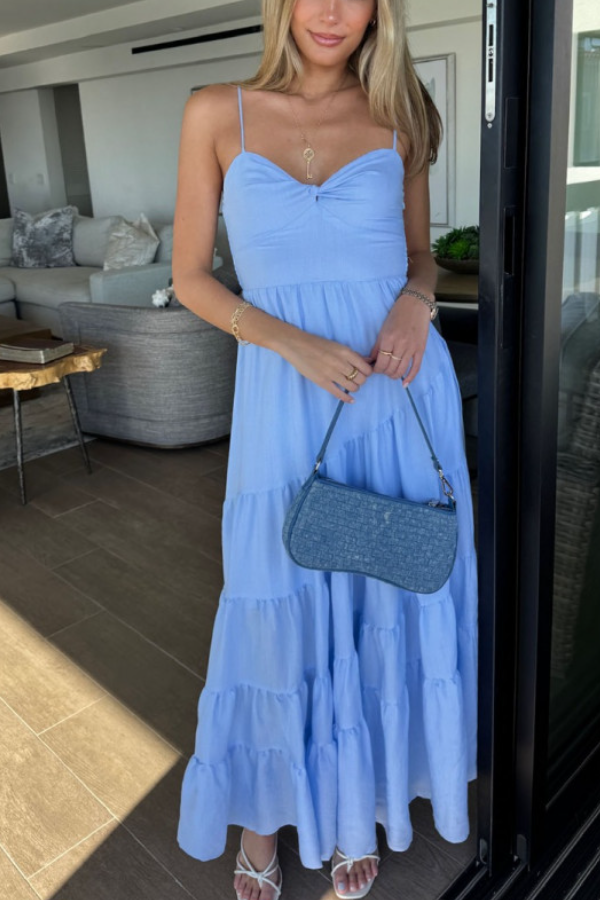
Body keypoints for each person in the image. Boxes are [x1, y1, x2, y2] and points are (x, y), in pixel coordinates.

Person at [174, 1, 478, 898]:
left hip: (394, 386)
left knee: (385, 590)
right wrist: (291, 343)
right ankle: (262, 817)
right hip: (284, 397)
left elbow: (420, 255)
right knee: (272, 594)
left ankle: (358, 806)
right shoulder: (214, 111)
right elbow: (189, 277)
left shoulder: (402, 112)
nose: (334, 11)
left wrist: (416, 302)